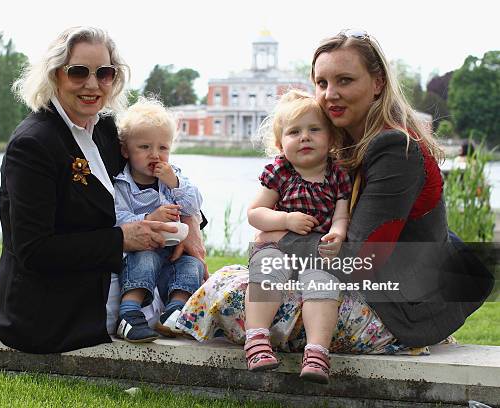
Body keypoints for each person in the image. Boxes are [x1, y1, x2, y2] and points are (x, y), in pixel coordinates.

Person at [178, 29, 492, 377]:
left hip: (394, 310)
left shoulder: (393, 149)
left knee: (227, 291)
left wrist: (281, 238)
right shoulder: (353, 140)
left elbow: (360, 260)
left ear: (377, 82)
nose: (330, 94)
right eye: (322, 82)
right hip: (385, 288)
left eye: (344, 80)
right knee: (255, 278)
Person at [0, 26, 206, 354]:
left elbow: (153, 177)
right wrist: (122, 239)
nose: (92, 84)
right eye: (78, 72)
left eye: (104, 73)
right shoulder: (33, 144)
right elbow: (33, 251)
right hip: (50, 307)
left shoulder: (105, 129)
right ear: (55, 75)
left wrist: (191, 224)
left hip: (118, 278)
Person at [244, 90, 351, 383]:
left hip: (314, 254)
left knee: (323, 282)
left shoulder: (337, 174)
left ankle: (317, 352)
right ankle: (256, 339)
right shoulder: (282, 172)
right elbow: (255, 213)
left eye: (314, 129)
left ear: (331, 138)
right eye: (294, 132)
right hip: (278, 247)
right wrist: (286, 219)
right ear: (281, 144)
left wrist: (337, 233)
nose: (305, 137)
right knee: (268, 267)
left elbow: (341, 215)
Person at [113, 97, 205, 342]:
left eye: (162, 148)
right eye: (144, 147)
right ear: (126, 150)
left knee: (192, 266)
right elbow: (117, 218)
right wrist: (147, 218)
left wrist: (174, 182)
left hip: (173, 251)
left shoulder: (173, 177)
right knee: (144, 259)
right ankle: (129, 312)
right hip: (140, 250)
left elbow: (194, 204)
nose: (155, 155)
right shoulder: (122, 184)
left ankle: (175, 313)